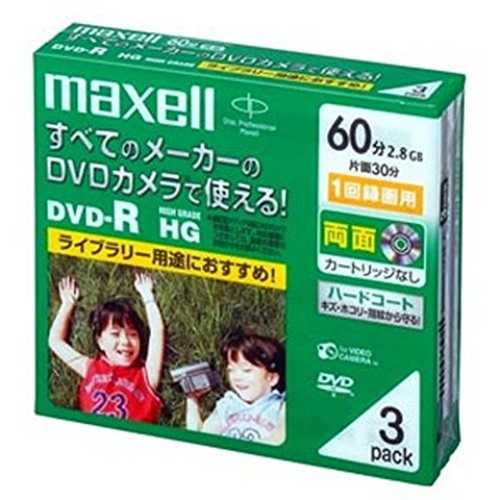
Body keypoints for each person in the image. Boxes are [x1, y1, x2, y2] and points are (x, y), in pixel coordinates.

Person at [49, 273, 165, 423]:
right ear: (100, 342)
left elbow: (157, 331)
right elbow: (55, 342)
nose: (125, 341)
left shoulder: (146, 375)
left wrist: (147, 296)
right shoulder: (91, 368)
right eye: (115, 334)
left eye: (132, 334)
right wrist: (67, 303)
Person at [185, 328, 285, 445]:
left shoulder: (280, 406)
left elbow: (279, 440)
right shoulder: (227, 405)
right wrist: (192, 400)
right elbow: (201, 439)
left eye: (246, 370)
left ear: (271, 378)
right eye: (231, 370)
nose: (237, 377)